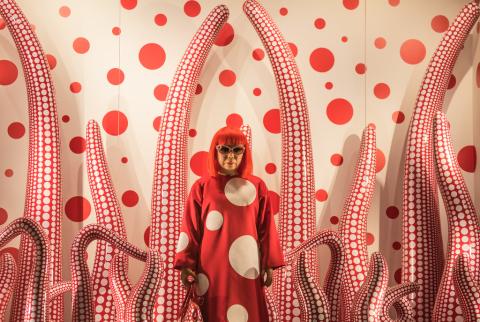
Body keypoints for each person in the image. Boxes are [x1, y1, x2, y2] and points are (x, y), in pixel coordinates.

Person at [174, 126, 285, 321]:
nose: (231, 156)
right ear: (215, 151)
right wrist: (185, 264)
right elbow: (190, 228)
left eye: (237, 150)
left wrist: (269, 264)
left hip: (248, 264)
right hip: (211, 266)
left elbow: (266, 228)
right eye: (224, 149)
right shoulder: (201, 187)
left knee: (247, 310)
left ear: (244, 152)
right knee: (214, 308)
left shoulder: (257, 186)